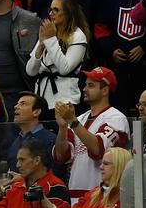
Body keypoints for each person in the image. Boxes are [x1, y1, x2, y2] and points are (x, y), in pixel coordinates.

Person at [51, 66, 130, 201]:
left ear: (105, 90)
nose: (84, 89)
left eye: (91, 85)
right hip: (75, 194)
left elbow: (98, 149)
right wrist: (63, 127)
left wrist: (72, 121)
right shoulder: (80, 118)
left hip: (101, 194)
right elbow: (61, 156)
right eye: (85, 85)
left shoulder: (116, 117)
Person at [25, 0, 90, 108]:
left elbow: (64, 68)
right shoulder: (49, 32)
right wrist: (40, 45)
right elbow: (31, 71)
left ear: (68, 13)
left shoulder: (77, 36)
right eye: (50, 10)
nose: (51, 14)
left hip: (65, 100)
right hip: (41, 99)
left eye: (56, 10)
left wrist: (50, 40)